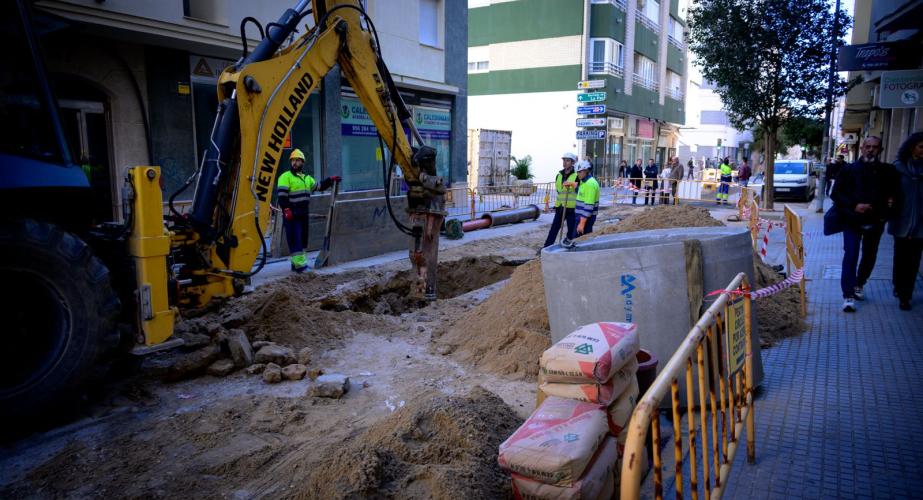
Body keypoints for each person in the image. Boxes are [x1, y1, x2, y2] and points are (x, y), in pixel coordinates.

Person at [830, 136, 895, 312]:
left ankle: (859, 283)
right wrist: (854, 205)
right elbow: (836, 194)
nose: (870, 150)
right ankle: (848, 295)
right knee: (850, 255)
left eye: (875, 147)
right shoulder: (848, 170)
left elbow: (893, 195)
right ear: (862, 149)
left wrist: (884, 214)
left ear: (880, 150)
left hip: (875, 222)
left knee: (869, 256)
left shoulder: (887, 171)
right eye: (867, 146)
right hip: (852, 221)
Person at [276, 148, 340, 272]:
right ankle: (300, 267)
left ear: (302, 162)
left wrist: (330, 180)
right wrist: (287, 210)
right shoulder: (285, 177)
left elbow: (319, 186)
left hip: (303, 214)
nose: (294, 163)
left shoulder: (307, 178)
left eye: (297, 160)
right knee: (296, 240)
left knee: (303, 240)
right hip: (292, 215)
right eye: (293, 160)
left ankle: (296, 265)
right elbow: (282, 196)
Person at [888, 132, 923, 311]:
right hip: (902, 222)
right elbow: (889, 193)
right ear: (912, 148)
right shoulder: (899, 168)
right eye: (921, 147)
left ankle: (906, 295)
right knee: (901, 258)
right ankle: (898, 286)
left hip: (921, 225)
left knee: (914, 260)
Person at [542, 152, 579, 248]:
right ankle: (546, 246)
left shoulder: (576, 176)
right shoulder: (559, 175)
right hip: (560, 206)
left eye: (567, 160)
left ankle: (568, 245)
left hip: (571, 208)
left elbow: (579, 191)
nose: (565, 162)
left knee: (571, 230)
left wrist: (572, 184)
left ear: (572, 162)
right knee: (554, 228)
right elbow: (559, 191)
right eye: (564, 160)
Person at [575, 160, 600, 236]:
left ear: (586, 171)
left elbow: (588, 206)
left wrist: (582, 224)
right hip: (581, 217)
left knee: (580, 242)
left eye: (580, 172)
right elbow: (582, 196)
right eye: (577, 172)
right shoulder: (585, 182)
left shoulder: (590, 184)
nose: (578, 174)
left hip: (585, 218)